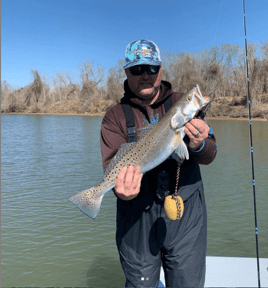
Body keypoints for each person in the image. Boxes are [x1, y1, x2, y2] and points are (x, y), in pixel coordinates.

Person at [100, 39, 217, 287]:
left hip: (187, 217)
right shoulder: (114, 117)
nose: (146, 75)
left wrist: (199, 144)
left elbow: (210, 153)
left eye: (152, 68)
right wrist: (120, 192)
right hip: (135, 220)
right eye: (137, 69)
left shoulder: (181, 103)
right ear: (126, 71)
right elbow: (111, 165)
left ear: (161, 70)